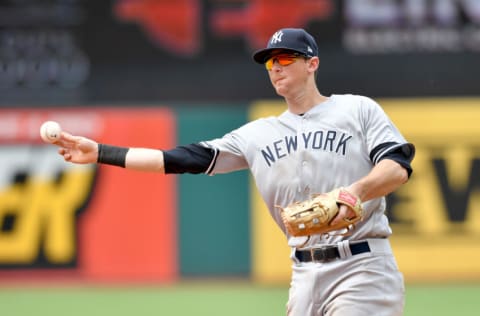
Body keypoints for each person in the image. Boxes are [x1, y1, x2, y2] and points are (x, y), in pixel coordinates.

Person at [54, 28, 415, 316]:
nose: (275, 67)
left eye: (285, 58)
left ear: (312, 64)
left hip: (362, 265)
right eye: (269, 62)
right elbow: (178, 159)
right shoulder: (258, 134)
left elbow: (396, 167)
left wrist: (355, 192)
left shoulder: (357, 110)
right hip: (305, 274)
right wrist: (100, 152)